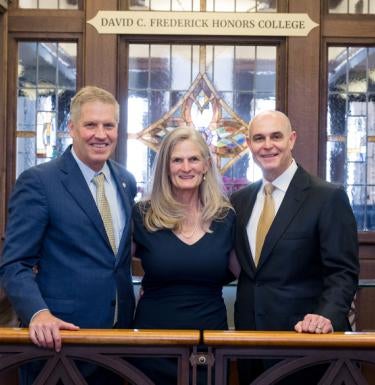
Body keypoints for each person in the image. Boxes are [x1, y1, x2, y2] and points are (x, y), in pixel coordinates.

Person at [0, 86, 137, 385]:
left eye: (108, 125)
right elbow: (14, 264)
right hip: (59, 340)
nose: (100, 134)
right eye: (90, 125)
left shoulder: (126, 182)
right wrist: (37, 314)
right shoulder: (39, 182)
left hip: (117, 342)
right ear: (71, 128)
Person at [231, 110, 359, 384]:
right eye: (259, 138)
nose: (268, 145)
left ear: (292, 139)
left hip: (306, 342)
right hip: (249, 342)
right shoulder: (240, 201)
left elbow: (342, 273)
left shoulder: (327, 196)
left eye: (276, 136)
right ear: (249, 144)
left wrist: (326, 317)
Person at [131, 126, 237, 385]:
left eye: (193, 159)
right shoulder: (143, 215)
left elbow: (247, 273)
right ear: (166, 167)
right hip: (153, 343)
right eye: (177, 160)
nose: (186, 167)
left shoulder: (226, 217)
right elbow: (110, 266)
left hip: (209, 345)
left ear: (206, 165)